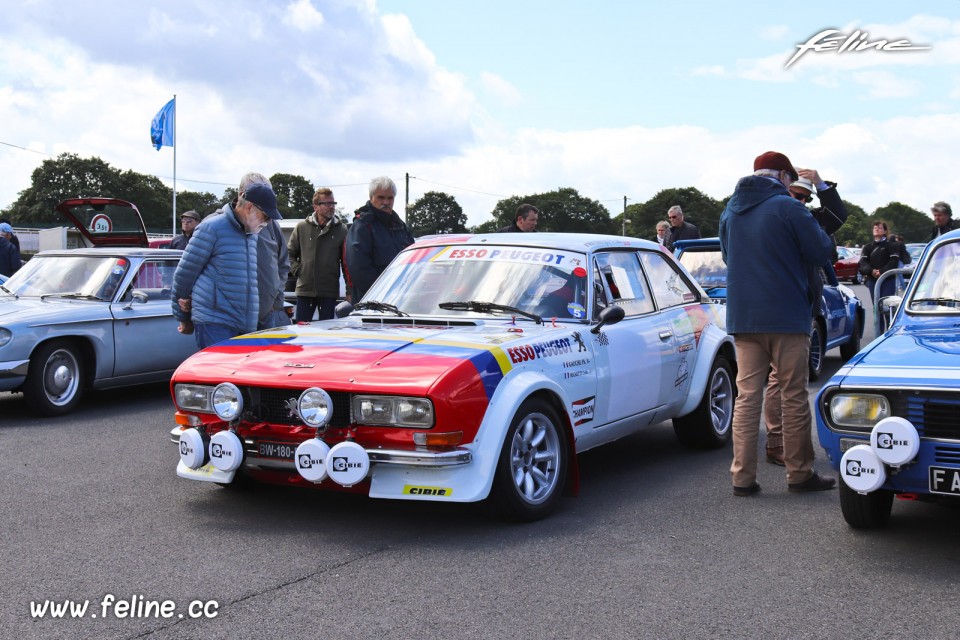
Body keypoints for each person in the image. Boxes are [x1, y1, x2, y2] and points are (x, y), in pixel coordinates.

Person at [719, 150, 836, 497]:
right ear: (784, 177)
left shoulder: (729, 211)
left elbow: (728, 256)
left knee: (747, 398)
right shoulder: (790, 208)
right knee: (793, 395)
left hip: (744, 317)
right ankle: (799, 473)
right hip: (786, 315)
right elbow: (821, 252)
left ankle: (742, 477)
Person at [764, 169, 849, 466]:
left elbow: (838, 215)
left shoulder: (807, 218)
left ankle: (780, 446)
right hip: (784, 306)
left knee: (786, 379)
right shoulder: (774, 217)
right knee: (781, 381)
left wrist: (820, 183)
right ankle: (780, 447)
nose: (800, 201)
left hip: (802, 304)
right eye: (795, 195)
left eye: (805, 197)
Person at [171, 183, 281, 348]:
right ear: (249, 207)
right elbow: (184, 275)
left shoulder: (251, 234)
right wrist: (183, 317)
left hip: (244, 324)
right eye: (265, 216)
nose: (267, 222)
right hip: (215, 322)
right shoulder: (211, 228)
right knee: (217, 372)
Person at [344, 176, 415, 301]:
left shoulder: (400, 226)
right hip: (372, 299)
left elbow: (414, 260)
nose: (386, 202)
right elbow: (359, 269)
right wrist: (383, 292)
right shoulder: (362, 226)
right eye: (381, 197)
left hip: (402, 296)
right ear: (371, 198)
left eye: (390, 198)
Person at [288, 187, 349, 322]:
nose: (331, 207)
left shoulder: (342, 230)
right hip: (305, 289)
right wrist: (298, 270)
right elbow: (289, 254)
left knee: (326, 334)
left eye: (333, 203)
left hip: (329, 291)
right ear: (316, 207)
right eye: (327, 204)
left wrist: (349, 291)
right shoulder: (301, 227)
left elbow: (346, 263)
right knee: (302, 331)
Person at [858, 220, 901, 304]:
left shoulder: (892, 245)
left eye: (880, 228)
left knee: (886, 306)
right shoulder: (867, 247)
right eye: (875, 228)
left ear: (885, 231)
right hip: (872, 280)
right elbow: (862, 263)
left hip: (888, 280)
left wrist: (881, 271)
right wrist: (871, 271)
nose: (877, 229)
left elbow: (893, 262)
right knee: (876, 306)